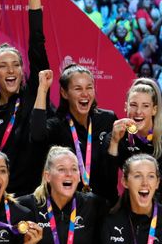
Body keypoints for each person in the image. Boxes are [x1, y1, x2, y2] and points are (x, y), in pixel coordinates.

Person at [0, 0, 50, 196]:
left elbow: (37, 46)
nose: (10, 70)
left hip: (29, 201)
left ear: (22, 70)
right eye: (3, 65)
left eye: (16, 65)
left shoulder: (33, 97)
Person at [31, 64, 119, 205]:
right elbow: (37, 135)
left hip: (107, 207)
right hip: (71, 210)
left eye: (89, 87)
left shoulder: (108, 120)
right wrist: (42, 89)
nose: (85, 93)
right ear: (64, 93)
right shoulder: (57, 125)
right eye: (78, 88)